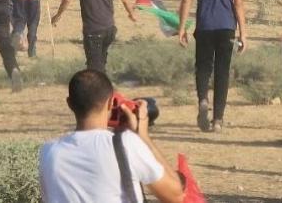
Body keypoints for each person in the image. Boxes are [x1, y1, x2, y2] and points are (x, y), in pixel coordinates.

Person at [39, 69, 185, 203]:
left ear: (70, 104)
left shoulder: (48, 152)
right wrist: (143, 136)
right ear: (110, 103)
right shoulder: (126, 144)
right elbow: (176, 195)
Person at [176, 0, 247, 132]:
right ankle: (217, 120)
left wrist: (182, 28)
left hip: (204, 26)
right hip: (226, 27)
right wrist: (243, 33)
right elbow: (238, 3)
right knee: (222, 72)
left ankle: (203, 100)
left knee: (203, 67)